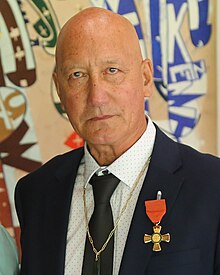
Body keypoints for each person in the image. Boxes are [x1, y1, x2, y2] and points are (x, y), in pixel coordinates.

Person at [15, 7, 220, 275]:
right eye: (77, 75)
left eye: (112, 70)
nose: (96, 97)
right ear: (59, 89)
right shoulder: (35, 194)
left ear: (146, 78)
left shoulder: (212, 186)